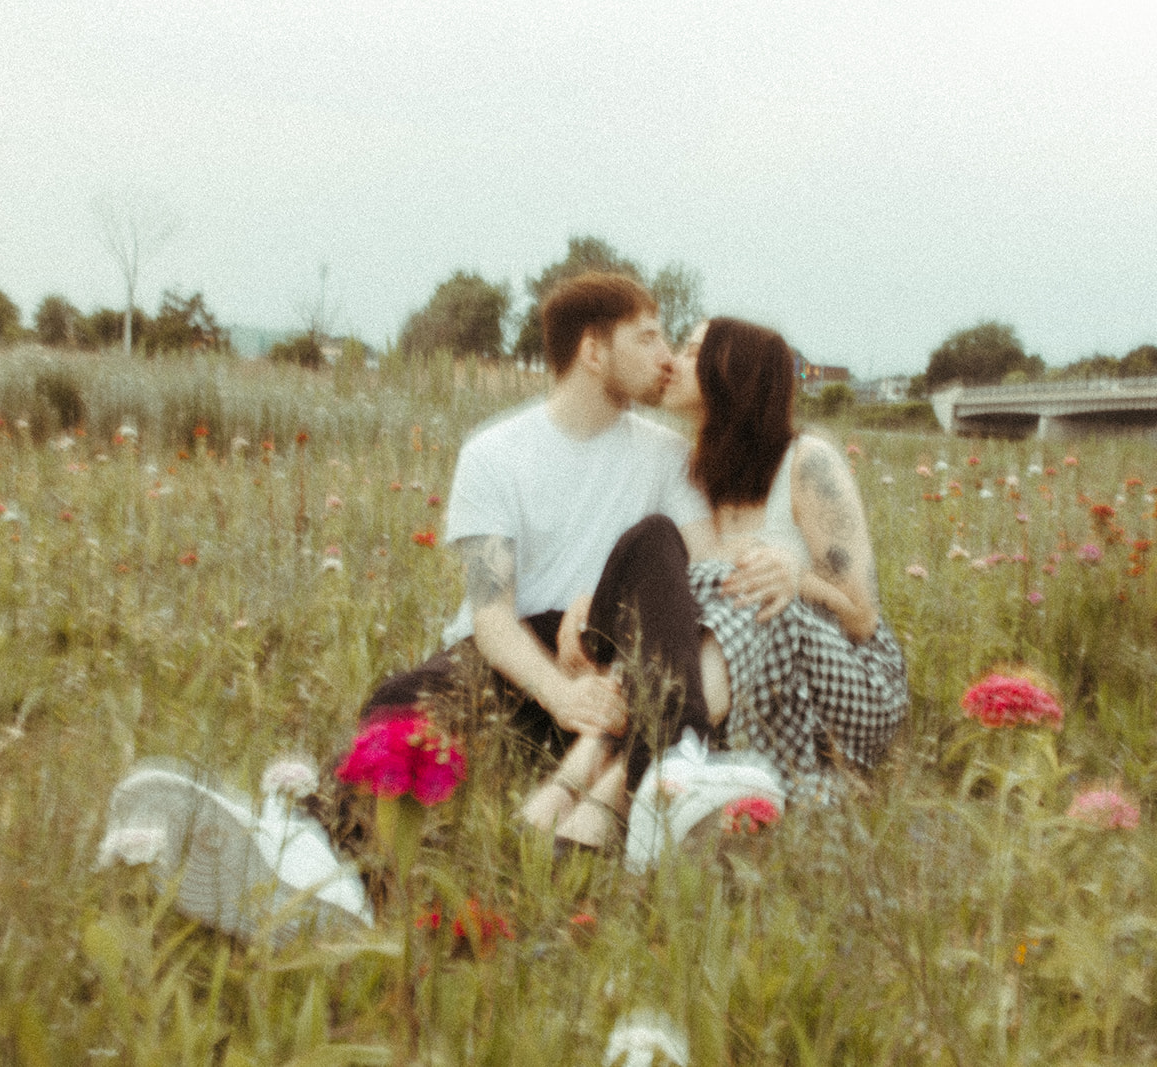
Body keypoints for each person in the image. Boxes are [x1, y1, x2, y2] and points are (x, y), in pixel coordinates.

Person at [355, 272, 729, 853]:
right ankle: (318, 836)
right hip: (519, 660)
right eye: (649, 338)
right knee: (391, 711)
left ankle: (659, 773)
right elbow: (492, 616)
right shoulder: (493, 455)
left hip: (611, 655)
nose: (666, 358)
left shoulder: (667, 456)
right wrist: (559, 694)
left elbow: (707, 577)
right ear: (593, 351)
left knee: (656, 539)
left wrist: (602, 634)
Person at [548, 316, 908, 817]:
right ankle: (620, 788)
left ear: (730, 372)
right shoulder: (691, 471)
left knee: (750, 591)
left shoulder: (807, 462)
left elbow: (863, 619)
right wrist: (591, 598)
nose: (673, 360)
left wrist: (795, 580)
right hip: (742, 676)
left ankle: (597, 790)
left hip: (845, 684)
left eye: (694, 351)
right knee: (695, 600)